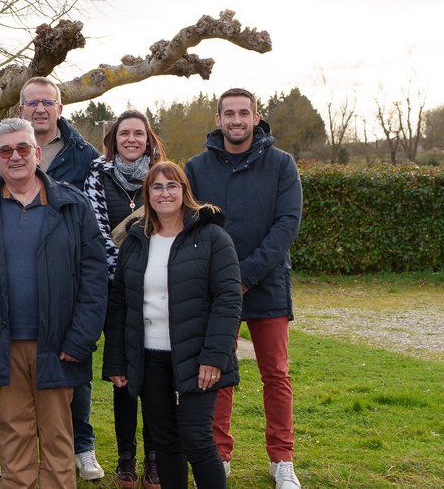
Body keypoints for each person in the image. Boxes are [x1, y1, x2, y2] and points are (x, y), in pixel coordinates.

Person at [0, 118, 109, 489]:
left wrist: (80, 340)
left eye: (22, 149)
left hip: (58, 343)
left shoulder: (72, 205)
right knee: (14, 434)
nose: (15, 157)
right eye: (5, 151)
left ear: (37, 153)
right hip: (4, 342)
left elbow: (94, 279)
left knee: (59, 438)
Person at [184, 88, 303, 489]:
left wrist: (245, 274)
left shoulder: (282, 164)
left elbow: (286, 224)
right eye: (228, 113)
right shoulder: (196, 167)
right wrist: (222, 277)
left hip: (267, 285)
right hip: (215, 289)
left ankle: (282, 459)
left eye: (244, 113)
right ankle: (219, 454)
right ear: (217, 119)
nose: (236, 120)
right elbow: (192, 225)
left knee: (277, 374)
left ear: (256, 117)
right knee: (216, 371)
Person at [103, 162, 241, 489]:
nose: (164, 193)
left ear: (184, 191)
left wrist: (214, 357)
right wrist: (117, 359)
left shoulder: (212, 237)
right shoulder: (137, 242)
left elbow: (228, 299)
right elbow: (120, 303)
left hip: (198, 357)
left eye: (172, 186)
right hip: (150, 357)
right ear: (147, 195)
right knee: (165, 442)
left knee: (197, 438)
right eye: (157, 187)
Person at [83, 110, 168, 488]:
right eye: (124, 134)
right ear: (113, 139)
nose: (131, 139)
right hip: (114, 289)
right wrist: (126, 269)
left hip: (157, 290)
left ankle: (153, 456)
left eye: (138, 134)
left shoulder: (163, 177)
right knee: (122, 375)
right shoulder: (96, 177)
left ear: (149, 139)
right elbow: (96, 230)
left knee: (154, 376)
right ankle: (124, 455)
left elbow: (171, 229)